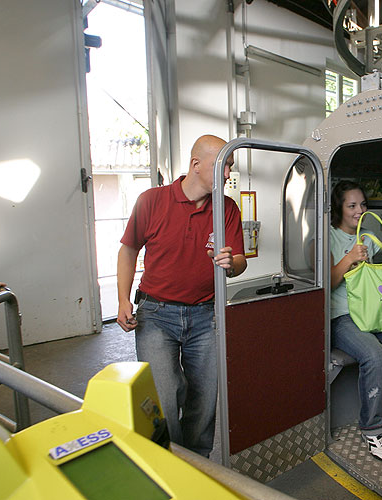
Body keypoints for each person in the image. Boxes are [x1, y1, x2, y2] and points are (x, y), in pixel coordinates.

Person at [116, 134, 247, 457]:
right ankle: (169, 460)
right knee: (164, 395)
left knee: (204, 397)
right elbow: (128, 248)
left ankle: (198, 463)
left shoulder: (227, 208)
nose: (228, 175)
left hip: (206, 316)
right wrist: (122, 300)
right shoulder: (152, 200)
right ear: (196, 165)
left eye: (230, 166)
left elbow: (240, 260)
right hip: (156, 315)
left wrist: (231, 264)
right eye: (223, 166)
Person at [330, 180, 382, 463]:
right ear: (339, 209)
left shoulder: (370, 236)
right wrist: (349, 258)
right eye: (352, 206)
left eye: (363, 204)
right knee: (374, 356)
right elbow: (327, 283)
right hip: (342, 317)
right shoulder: (326, 237)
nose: (359, 210)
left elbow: (372, 281)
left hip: (373, 310)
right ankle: (373, 428)